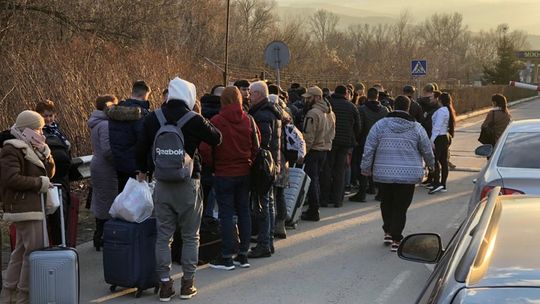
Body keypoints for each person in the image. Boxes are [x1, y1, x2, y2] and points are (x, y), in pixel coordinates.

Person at [135, 77, 221, 301]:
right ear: (189, 96)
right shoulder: (194, 119)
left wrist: (143, 169)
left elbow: (140, 146)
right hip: (188, 182)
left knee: (164, 236)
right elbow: (216, 138)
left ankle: (165, 284)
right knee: (191, 236)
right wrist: (198, 117)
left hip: (162, 183)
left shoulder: (154, 117)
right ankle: (187, 285)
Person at [360, 96, 434, 252]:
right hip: (408, 175)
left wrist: (365, 168)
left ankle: (388, 230)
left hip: (384, 172)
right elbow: (426, 149)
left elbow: (369, 148)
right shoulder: (417, 128)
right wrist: (432, 165)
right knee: (401, 207)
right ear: (408, 108)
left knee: (386, 203)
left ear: (394, 106)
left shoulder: (379, 125)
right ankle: (396, 238)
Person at [200, 86, 259, 270]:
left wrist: (213, 165)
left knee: (226, 214)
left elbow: (205, 148)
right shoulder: (249, 120)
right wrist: (249, 161)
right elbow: (257, 145)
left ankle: (226, 256)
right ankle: (243, 254)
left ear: (223, 101)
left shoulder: (217, 121)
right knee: (244, 212)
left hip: (224, 173)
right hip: (244, 172)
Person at [0, 110, 55, 303]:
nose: (41, 132)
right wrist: (39, 183)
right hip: (24, 207)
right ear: (28, 129)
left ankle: (9, 294)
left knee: (22, 252)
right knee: (33, 252)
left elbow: (50, 174)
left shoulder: (32, 146)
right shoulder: (12, 149)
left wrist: (45, 154)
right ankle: (23, 294)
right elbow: (11, 178)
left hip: (33, 206)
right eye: (38, 129)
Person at [247, 81, 282, 258]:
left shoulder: (261, 115)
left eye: (251, 93)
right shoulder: (272, 111)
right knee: (269, 203)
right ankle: (268, 241)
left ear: (259, 94)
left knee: (262, 205)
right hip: (272, 163)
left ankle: (263, 244)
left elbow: (262, 142)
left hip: (263, 165)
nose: (248, 96)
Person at [34, 100, 72, 246]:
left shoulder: (58, 131)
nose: (49, 119)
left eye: (51, 116)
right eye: (45, 116)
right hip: (49, 180)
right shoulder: (37, 134)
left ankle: (63, 245)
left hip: (63, 179)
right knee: (54, 218)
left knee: (62, 217)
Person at [320, 85, 361, 208]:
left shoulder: (329, 104)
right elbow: (357, 126)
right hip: (345, 143)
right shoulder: (352, 106)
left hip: (330, 141)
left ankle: (325, 199)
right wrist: (353, 137)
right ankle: (338, 200)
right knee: (340, 171)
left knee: (327, 170)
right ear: (345, 94)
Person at [300, 86, 336, 221]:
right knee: (317, 179)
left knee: (312, 180)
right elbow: (332, 133)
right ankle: (315, 207)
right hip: (325, 149)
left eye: (309, 97)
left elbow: (308, 136)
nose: (306, 100)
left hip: (314, 150)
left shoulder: (313, 114)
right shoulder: (330, 112)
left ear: (317, 98)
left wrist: (303, 152)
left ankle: (313, 210)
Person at [88, 95, 119, 251]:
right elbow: (108, 150)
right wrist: (119, 161)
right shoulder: (106, 125)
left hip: (97, 165)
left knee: (101, 201)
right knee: (108, 202)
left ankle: (99, 235)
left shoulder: (96, 123)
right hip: (106, 167)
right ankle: (103, 236)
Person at [108, 80, 151, 192]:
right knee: (136, 202)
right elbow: (143, 142)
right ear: (145, 95)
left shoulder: (115, 111)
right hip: (135, 166)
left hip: (118, 162)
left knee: (123, 197)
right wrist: (144, 167)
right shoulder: (142, 114)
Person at [349, 87, 389, 202]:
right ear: (377, 96)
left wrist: (357, 138)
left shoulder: (362, 109)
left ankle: (362, 193)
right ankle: (379, 192)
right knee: (379, 166)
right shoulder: (385, 110)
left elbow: (359, 126)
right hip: (381, 142)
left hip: (365, 141)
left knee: (364, 167)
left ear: (367, 95)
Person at [428, 92, 456, 194]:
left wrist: (432, 140)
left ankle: (436, 183)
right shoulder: (448, 110)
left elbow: (437, 126)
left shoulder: (441, 111)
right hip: (445, 137)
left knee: (435, 161)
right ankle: (443, 184)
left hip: (439, 137)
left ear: (440, 100)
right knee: (443, 162)